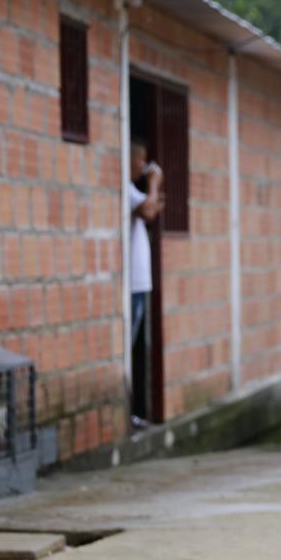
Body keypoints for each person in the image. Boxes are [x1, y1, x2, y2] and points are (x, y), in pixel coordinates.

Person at [126, 140, 162, 428]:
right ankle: (128, 413)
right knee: (129, 346)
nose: (144, 167)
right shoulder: (124, 188)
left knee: (135, 342)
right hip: (131, 283)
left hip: (139, 283)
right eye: (141, 161)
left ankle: (132, 413)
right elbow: (149, 210)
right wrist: (154, 183)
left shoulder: (132, 190)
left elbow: (152, 207)